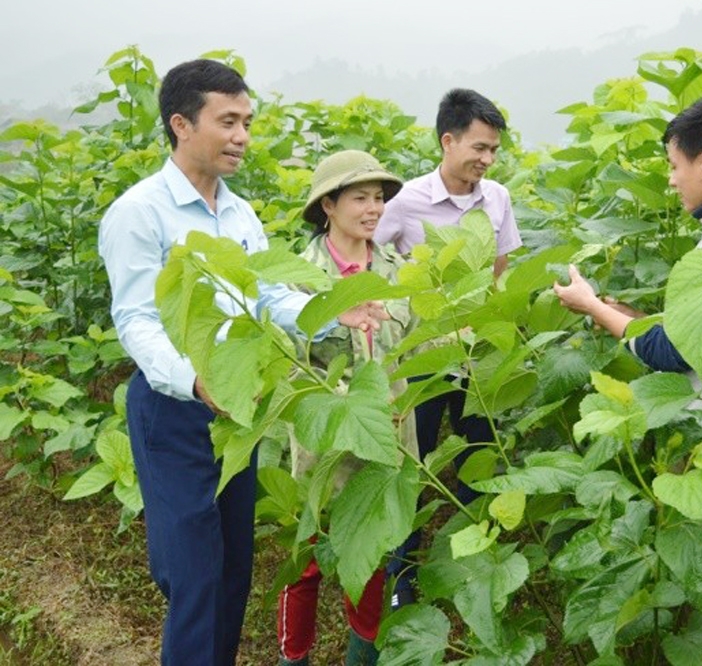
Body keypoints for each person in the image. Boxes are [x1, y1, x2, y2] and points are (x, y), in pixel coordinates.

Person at [98, 59, 386, 666]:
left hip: (238, 407)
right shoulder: (140, 213)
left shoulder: (239, 213)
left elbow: (269, 296)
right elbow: (136, 320)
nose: (243, 137)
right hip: (176, 408)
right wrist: (192, 377)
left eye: (247, 122)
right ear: (181, 124)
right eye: (227, 121)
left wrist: (338, 312)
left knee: (232, 572)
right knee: (195, 578)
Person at [374, 88, 522, 608]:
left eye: (493, 151)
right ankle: (403, 574)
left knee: (480, 456)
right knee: (412, 464)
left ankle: (475, 562)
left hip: (476, 360)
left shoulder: (497, 199)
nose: (486, 160)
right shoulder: (405, 202)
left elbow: (501, 272)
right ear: (448, 140)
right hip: (422, 359)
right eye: (479, 148)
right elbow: (374, 261)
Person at [275, 150, 418, 666]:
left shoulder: (398, 272)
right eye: (360, 197)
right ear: (328, 206)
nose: (374, 208)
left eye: (379, 198)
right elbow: (287, 365)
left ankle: (363, 657)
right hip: (324, 452)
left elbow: (416, 352)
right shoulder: (299, 281)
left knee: (375, 562)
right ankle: (294, 658)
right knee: (308, 562)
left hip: (388, 446)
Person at [554, 96, 702, 417]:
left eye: (674, 166)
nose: (671, 180)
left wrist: (592, 306)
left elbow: (671, 352)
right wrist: (632, 316)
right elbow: (699, 330)